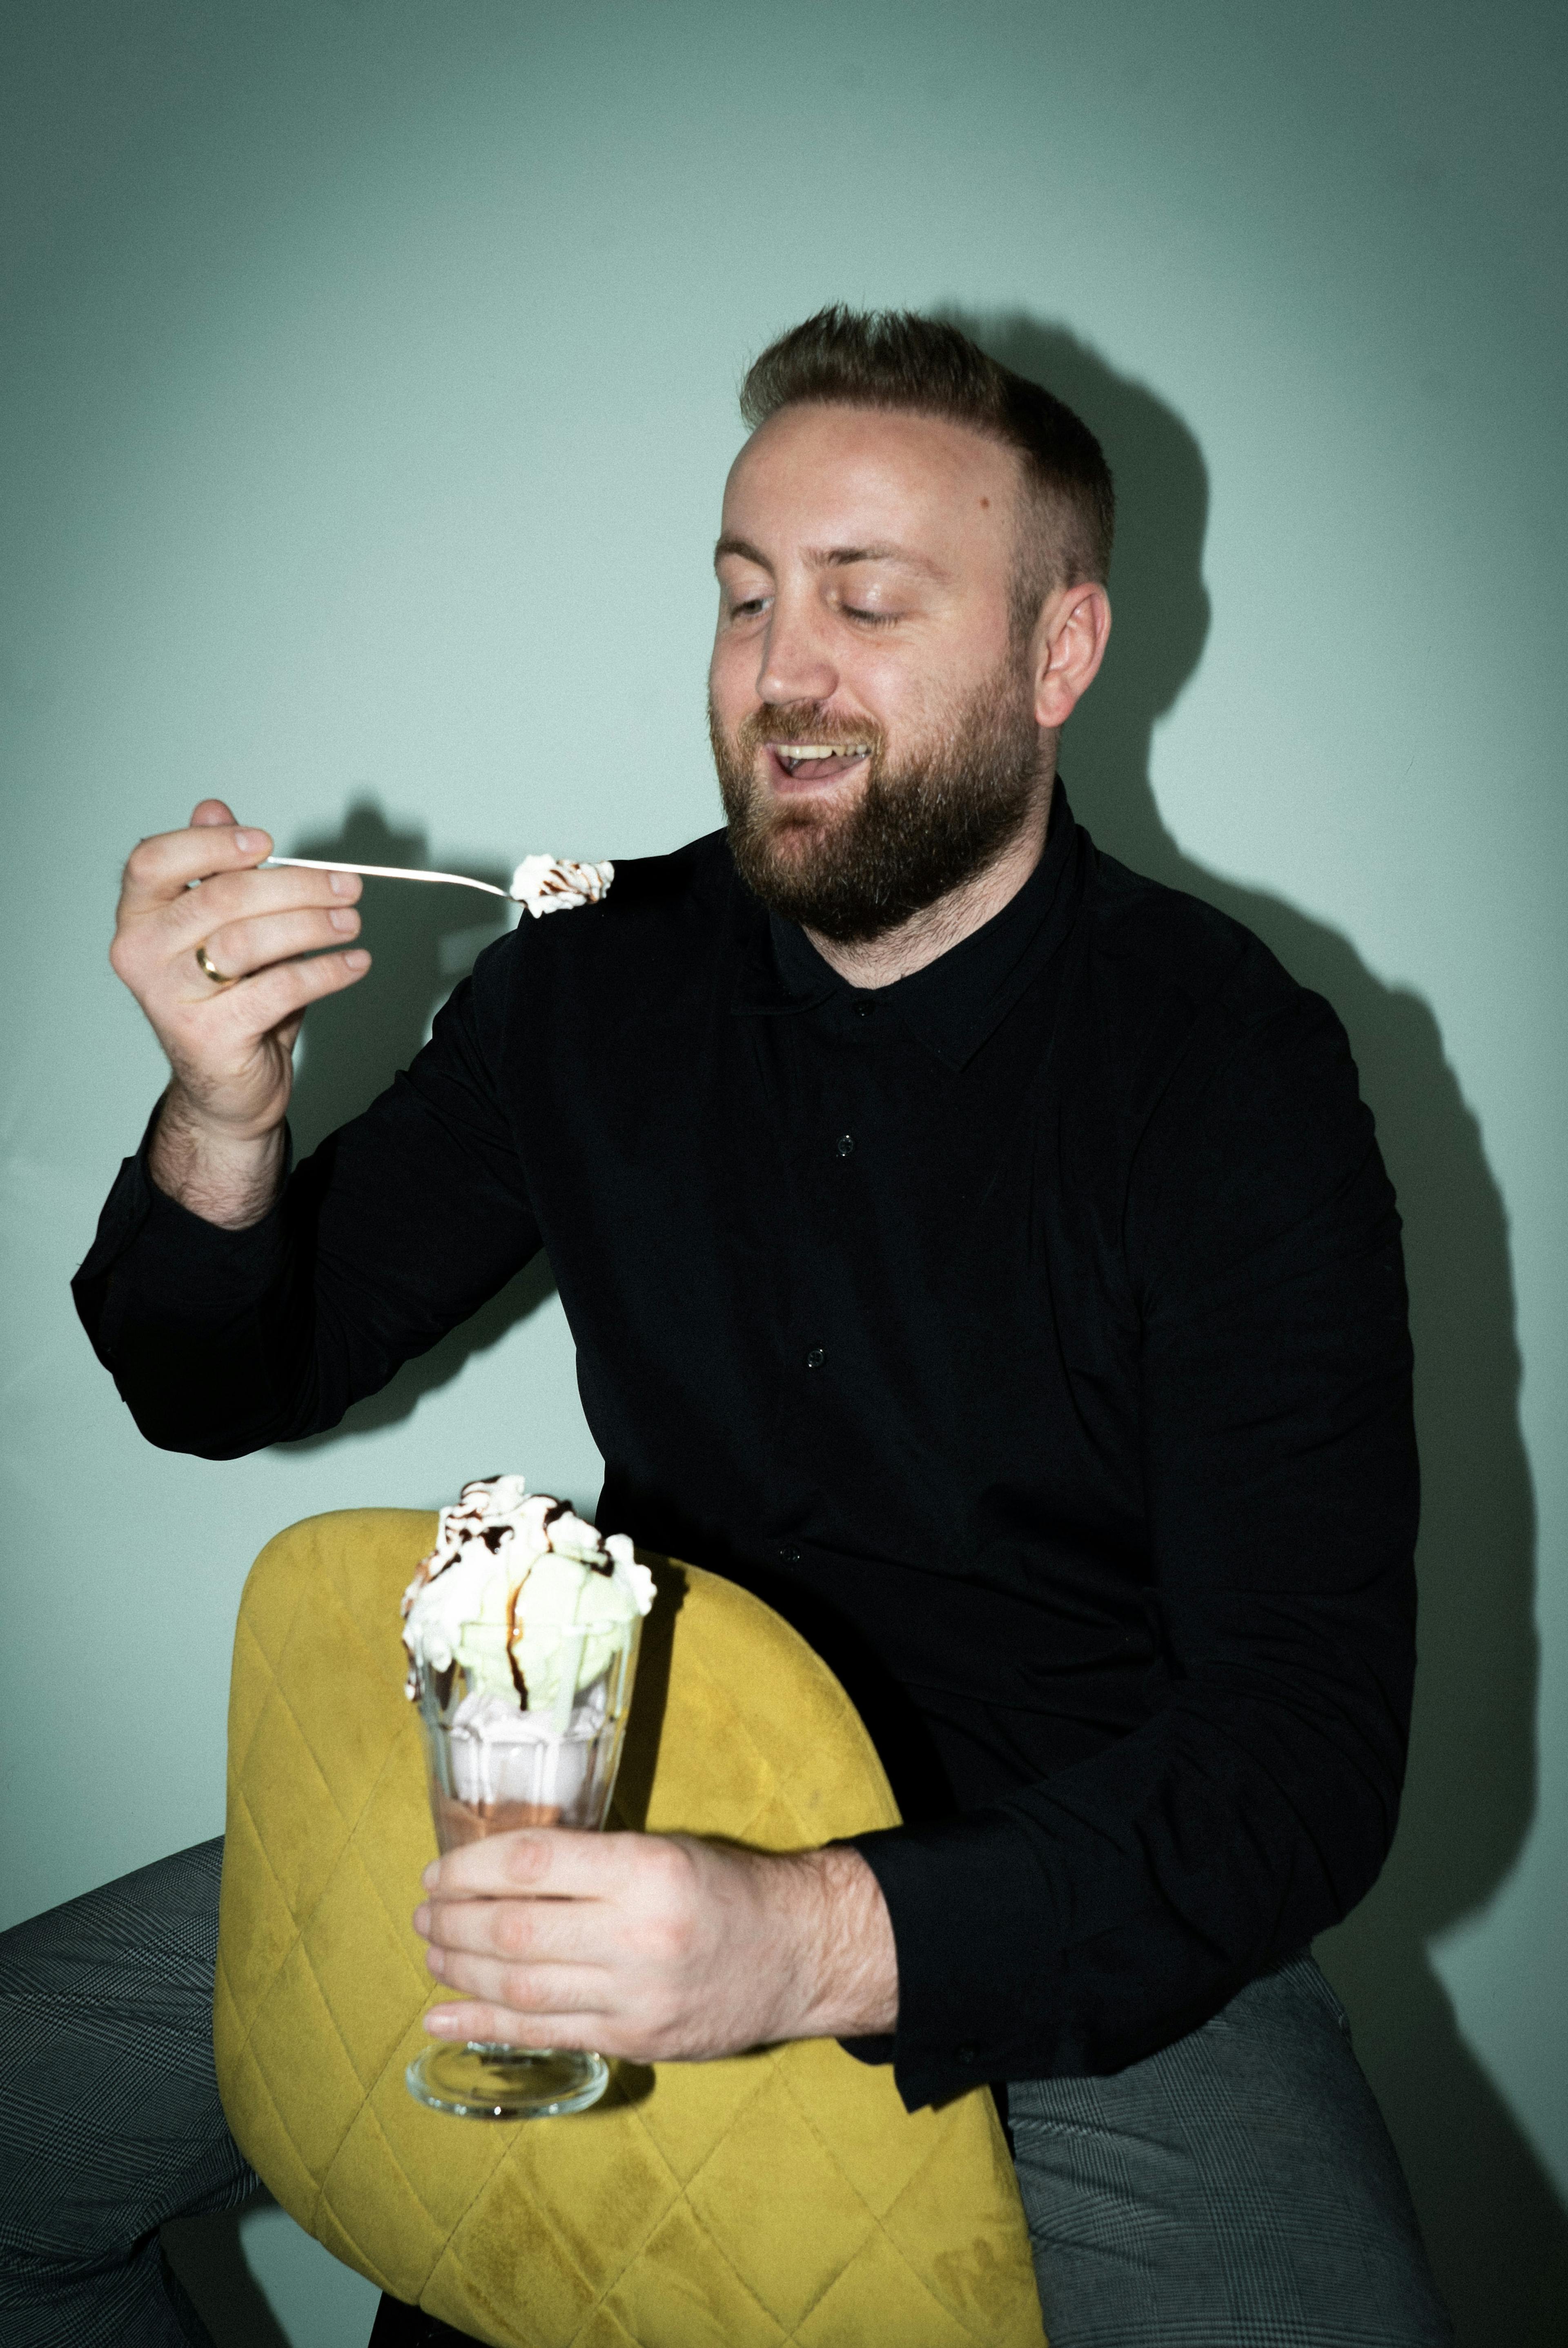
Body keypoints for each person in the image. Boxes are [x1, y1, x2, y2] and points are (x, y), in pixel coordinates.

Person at [0, 308, 1452, 2347]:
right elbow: (225, 1374)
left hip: (1065, 1900)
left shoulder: (1233, 1070)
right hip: (622, 1798)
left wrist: (806, 1944)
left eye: (869, 603)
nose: (785, 674)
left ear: (1060, 656)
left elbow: (1305, 1754)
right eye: (748, 596)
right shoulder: (590, 985)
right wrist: (223, 1119)